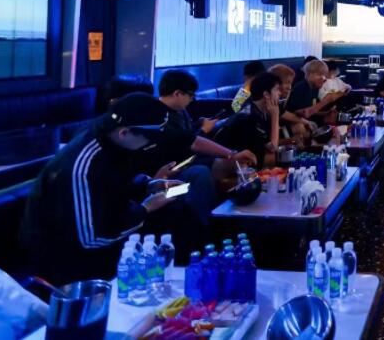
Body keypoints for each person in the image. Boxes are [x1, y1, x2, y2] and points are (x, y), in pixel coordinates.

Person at [21, 94, 185, 285]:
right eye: (150, 137)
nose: (150, 143)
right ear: (124, 132)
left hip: (105, 235)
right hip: (66, 258)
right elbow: (89, 238)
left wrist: (149, 185)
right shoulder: (82, 167)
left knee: (179, 214)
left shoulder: (112, 140)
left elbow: (117, 183)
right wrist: (145, 209)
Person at [153, 70, 257, 222]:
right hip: (172, 176)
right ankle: (204, 224)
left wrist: (200, 126)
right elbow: (190, 144)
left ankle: (236, 212)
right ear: (177, 94)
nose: (192, 99)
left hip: (189, 162)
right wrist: (204, 131)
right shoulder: (160, 117)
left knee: (236, 163)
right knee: (202, 174)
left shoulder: (180, 111)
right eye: (191, 95)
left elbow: (189, 138)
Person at [216, 71, 282, 169]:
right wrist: (275, 116)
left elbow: (267, 145)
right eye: (277, 90)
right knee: (276, 158)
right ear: (266, 94)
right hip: (229, 163)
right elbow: (273, 148)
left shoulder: (262, 111)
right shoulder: (248, 118)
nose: (280, 93)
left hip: (248, 157)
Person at [286, 59, 345, 125]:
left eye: (324, 75)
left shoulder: (315, 88)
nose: (324, 78)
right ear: (309, 74)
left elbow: (311, 111)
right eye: (320, 74)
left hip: (308, 120)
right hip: (295, 123)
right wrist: (326, 100)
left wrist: (326, 113)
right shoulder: (300, 89)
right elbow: (303, 114)